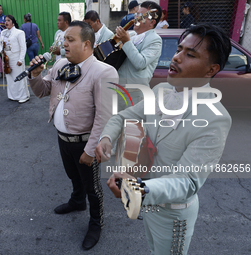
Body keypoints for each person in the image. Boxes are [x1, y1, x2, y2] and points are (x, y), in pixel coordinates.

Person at [95, 24, 232, 255]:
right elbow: (122, 116)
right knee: (152, 248)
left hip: (173, 213)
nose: (177, 58)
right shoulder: (161, 92)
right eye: (179, 50)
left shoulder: (214, 117)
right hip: (147, 203)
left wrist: (138, 189)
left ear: (211, 70)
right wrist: (107, 137)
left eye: (190, 55)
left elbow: (187, 182)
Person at [28, 21, 119, 250]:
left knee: (93, 187)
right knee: (72, 175)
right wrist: (35, 76)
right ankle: (77, 202)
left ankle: (96, 223)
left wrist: (90, 150)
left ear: (87, 44)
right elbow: (42, 91)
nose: (63, 43)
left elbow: (104, 116)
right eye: (63, 39)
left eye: (70, 40)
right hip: (63, 138)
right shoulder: (60, 64)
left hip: (85, 142)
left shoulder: (104, 72)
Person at [115, 1, 162, 103]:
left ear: (152, 22)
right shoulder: (131, 35)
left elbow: (140, 63)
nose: (135, 18)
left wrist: (126, 41)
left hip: (135, 94)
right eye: (136, 14)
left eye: (140, 16)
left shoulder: (155, 40)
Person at [0, 15, 29, 103]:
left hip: (16, 57)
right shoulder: (3, 32)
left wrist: (21, 59)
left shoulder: (19, 32)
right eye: (5, 20)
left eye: (8, 20)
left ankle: (24, 96)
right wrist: (1, 51)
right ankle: (13, 95)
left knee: (19, 77)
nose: (6, 22)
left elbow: (23, 47)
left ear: (13, 22)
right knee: (10, 77)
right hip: (6, 58)